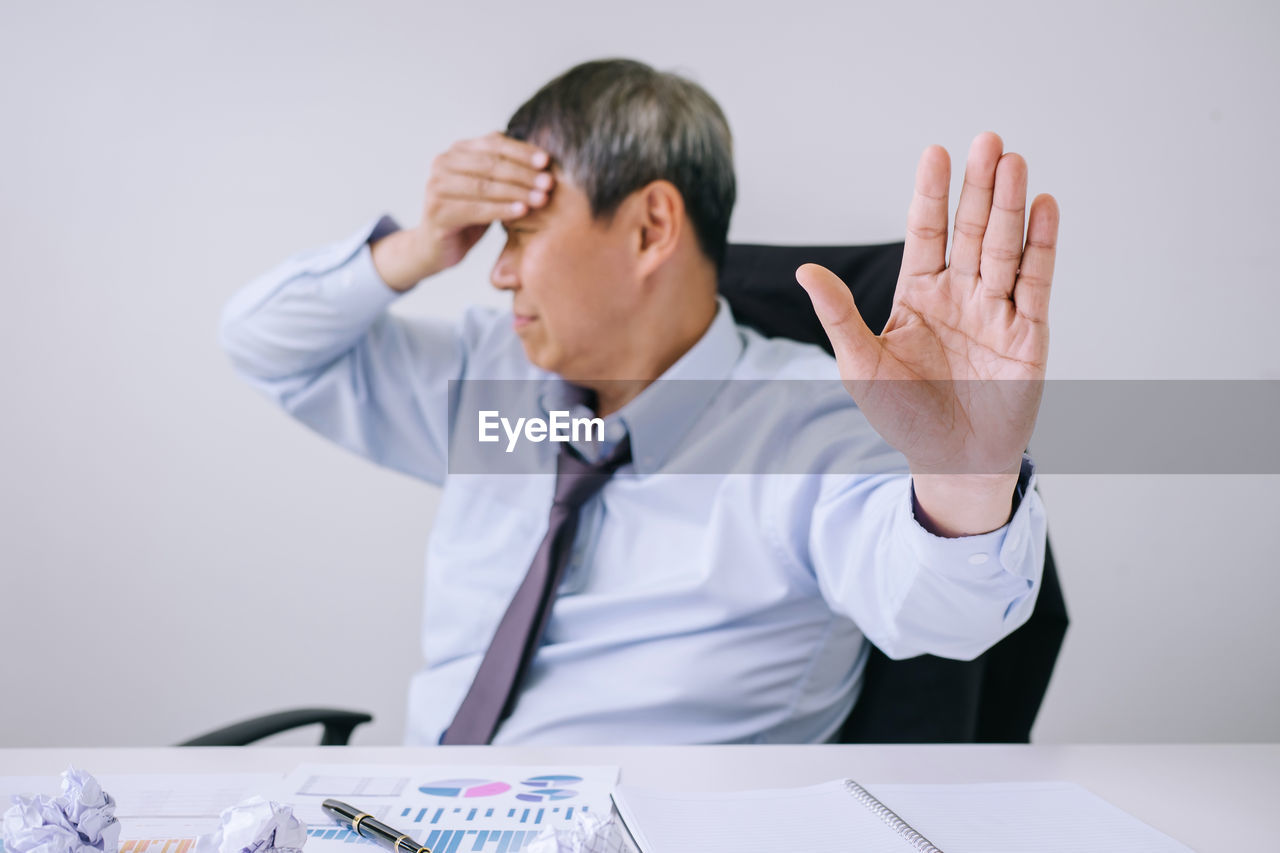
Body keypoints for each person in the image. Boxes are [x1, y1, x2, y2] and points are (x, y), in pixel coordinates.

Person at [219, 58, 1059, 745]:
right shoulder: (490, 383)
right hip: (419, 822)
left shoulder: (810, 422)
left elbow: (947, 615)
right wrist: (412, 249)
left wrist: (963, 474)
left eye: (517, 233)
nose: (497, 270)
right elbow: (264, 345)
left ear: (652, 227)